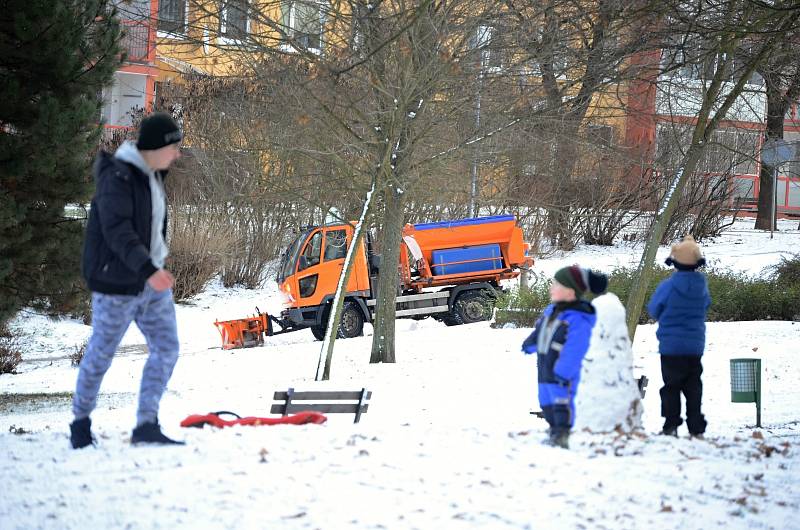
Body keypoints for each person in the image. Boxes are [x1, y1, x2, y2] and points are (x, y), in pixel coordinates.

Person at [70, 112, 184, 449]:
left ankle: (147, 425)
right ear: (157, 147)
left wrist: (155, 268)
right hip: (117, 284)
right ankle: (80, 424)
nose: (177, 155)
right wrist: (150, 268)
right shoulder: (117, 177)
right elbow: (117, 231)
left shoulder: (152, 175)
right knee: (101, 353)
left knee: (166, 348)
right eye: (174, 147)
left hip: (151, 285)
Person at [522, 265, 608, 449]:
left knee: (562, 403)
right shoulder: (551, 312)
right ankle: (553, 431)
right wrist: (529, 343)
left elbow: (575, 348)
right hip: (545, 367)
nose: (551, 288)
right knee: (546, 402)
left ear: (570, 291)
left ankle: (562, 435)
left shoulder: (578, 318)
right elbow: (540, 331)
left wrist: (564, 371)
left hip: (562, 372)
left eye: (556, 285)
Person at [647, 235, 711, 439]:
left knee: (671, 386)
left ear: (675, 262)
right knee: (693, 386)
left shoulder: (669, 285)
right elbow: (706, 305)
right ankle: (696, 427)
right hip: (694, 346)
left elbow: (654, 308)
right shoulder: (701, 285)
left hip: (671, 346)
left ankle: (671, 425)